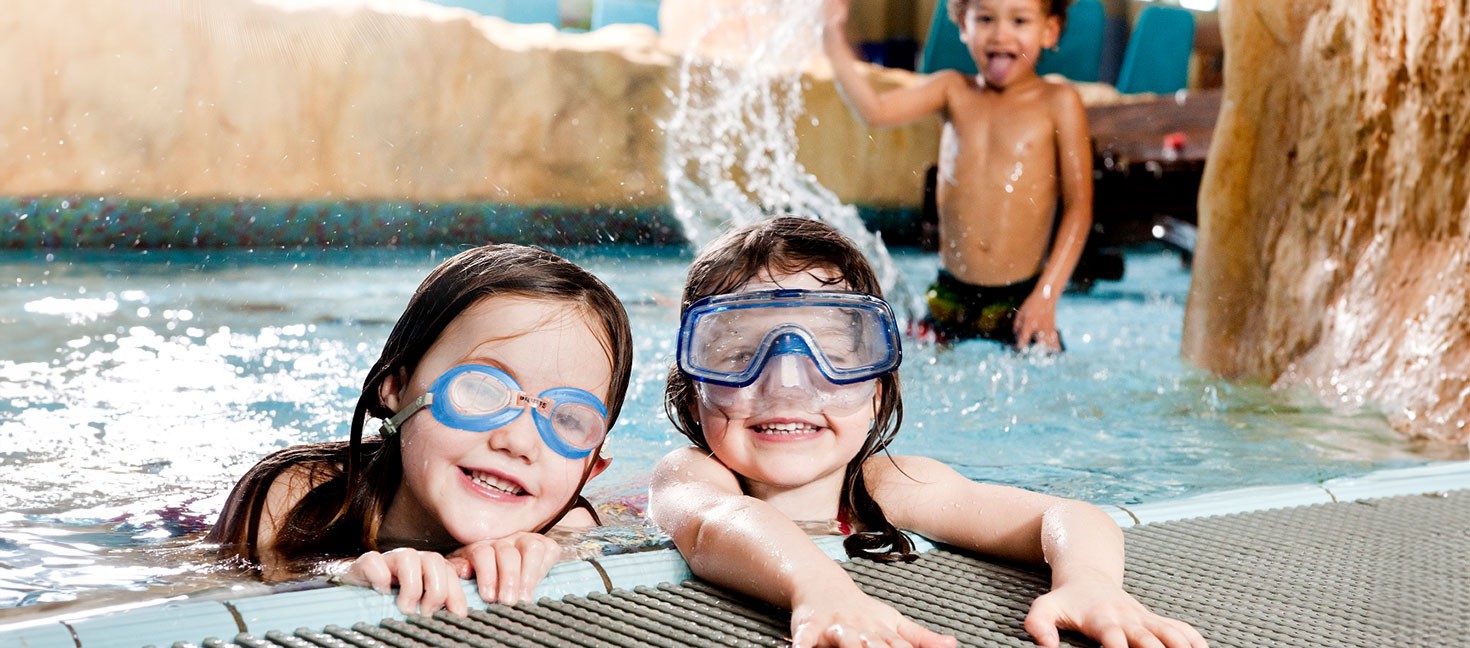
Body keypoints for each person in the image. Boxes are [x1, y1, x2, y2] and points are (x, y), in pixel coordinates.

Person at [650, 217, 1206, 648]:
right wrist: (821, 590)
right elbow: (717, 526)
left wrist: (1089, 583)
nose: (786, 384)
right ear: (692, 391)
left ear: (877, 391)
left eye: (832, 356)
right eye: (740, 355)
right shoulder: (690, 474)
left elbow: (1067, 515)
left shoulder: (887, 484)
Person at [206, 244, 634, 616]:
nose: (519, 442)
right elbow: (207, 599)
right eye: (482, 389)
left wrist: (546, 554)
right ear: (394, 386)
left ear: (594, 465)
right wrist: (337, 572)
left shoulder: (567, 523)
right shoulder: (294, 496)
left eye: (569, 419)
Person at [823, 0, 1093, 351]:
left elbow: (1079, 207)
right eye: (984, 18)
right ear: (963, 25)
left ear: (1049, 30)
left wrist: (1046, 295)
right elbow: (875, 110)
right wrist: (831, 36)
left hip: (1022, 299)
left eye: (1020, 20)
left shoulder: (1058, 102)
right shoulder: (953, 90)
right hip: (948, 294)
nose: (1000, 34)